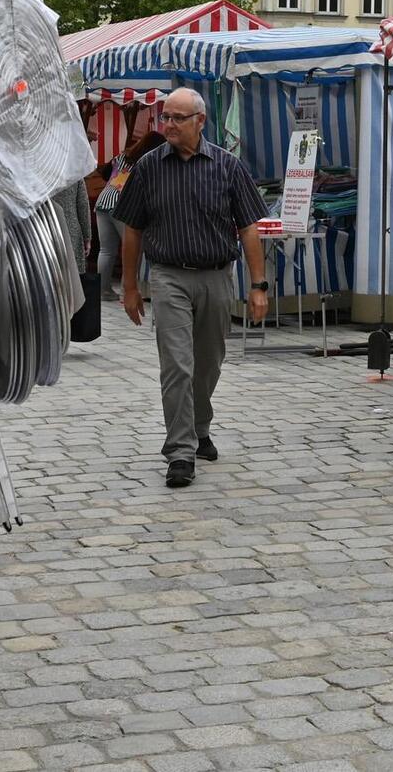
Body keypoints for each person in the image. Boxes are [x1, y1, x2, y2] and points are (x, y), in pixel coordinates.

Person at [114, 87, 269, 488]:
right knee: (177, 366)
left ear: (200, 121)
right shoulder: (148, 167)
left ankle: (200, 427)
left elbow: (249, 227)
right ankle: (180, 452)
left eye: (177, 118)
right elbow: (132, 229)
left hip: (217, 275)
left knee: (209, 362)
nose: (168, 125)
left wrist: (258, 285)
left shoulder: (228, 167)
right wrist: (130, 287)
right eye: (165, 117)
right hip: (168, 277)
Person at [93, 124, 166, 283]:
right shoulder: (146, 162)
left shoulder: (121, 156)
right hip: (123, 205)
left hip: (103, 201)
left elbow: (105, 173)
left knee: (106, 250)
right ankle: (127, 291)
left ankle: (103, 291)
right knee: (132, 250)